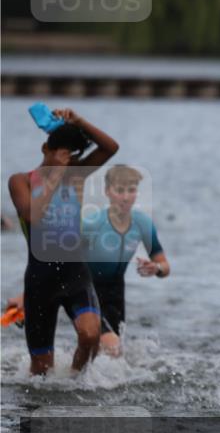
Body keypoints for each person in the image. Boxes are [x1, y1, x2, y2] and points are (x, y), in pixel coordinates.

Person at [7, 108, 119, 376]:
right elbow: (32, 215)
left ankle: (74, 381)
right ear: (45, 147)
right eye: (61, 156)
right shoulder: (20, 181)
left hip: (75, 272)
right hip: (39, 278)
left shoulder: (76, 175)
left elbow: (110, 147)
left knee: (91, 335)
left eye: (70, 158)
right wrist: (55, 174)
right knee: (41, 369)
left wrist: (78, 121)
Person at [83, 164, 170, 356]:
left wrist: (155, 268)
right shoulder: (93, 224)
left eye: (131, 190)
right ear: (108, 191)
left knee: (108, 355)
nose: (125, 197)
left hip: (116, 294)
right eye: (119, 190)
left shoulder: (143, 223)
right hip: (87, 292)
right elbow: (62, 263)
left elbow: (165, 266)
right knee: (112, 348)